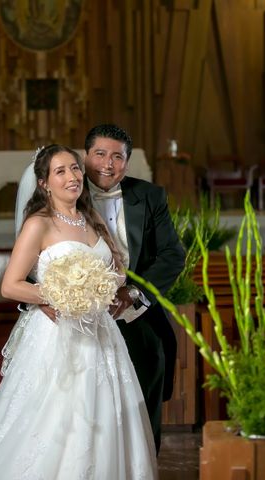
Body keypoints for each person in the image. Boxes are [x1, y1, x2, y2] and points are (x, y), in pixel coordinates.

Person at [0, 144, 158, 479]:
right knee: (58, 421)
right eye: (60, 171)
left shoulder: (92, 219)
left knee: (106, 416)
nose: (72, 176)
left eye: (75, 168)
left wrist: (108, 287)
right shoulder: (39, 224)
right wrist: (61, 295)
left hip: (102, 335)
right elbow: (10, 285)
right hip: (59, 336)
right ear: (44, 183)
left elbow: (116, 268)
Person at [83, 124, 185, 453]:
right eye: (100, 154)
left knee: (144, 398)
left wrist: (136, 292)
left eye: (117, 156)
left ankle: (144, 464)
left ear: (128, 161)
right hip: (80, 318)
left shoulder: (150, 195)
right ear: (85, 157)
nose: (108, 164)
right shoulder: (65, 192)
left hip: (134, 313)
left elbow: (172, 254)